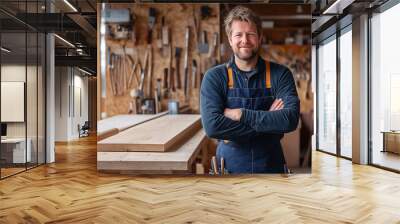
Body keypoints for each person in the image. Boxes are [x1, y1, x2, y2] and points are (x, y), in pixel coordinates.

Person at [200, 6, 300, 174]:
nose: (244, 40)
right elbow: (212, 127)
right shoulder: (215, 77)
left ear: (260, 37)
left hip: (271, 167)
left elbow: (290, 120)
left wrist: (242, 114)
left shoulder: (280, 74)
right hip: (229, 168)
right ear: (230, 39)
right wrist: (270, 124)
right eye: (238, 35)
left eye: (251, 34)